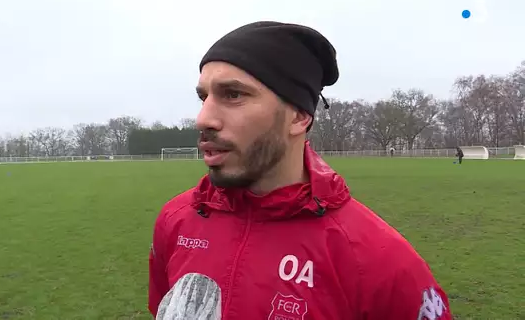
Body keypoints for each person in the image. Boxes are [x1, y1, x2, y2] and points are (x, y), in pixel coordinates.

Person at [148, 21, 452, 320]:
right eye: (204, 97)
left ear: (299, 117)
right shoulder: (175, 220)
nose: (203, 119)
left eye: (233, 95)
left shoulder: (380, 260)